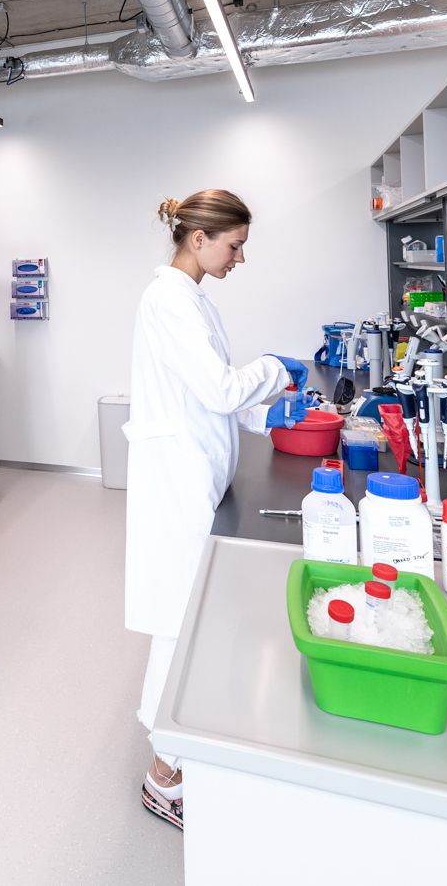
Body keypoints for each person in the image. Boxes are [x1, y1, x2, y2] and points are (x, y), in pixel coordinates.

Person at [124, 190, 312, 830]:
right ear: (199, 238)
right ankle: (165, 773)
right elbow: (218, 387)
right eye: (235, 246)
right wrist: (274, 370)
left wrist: (267, 415)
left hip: (197, 470)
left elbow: (210, 397)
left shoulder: (193, 298)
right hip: (177, 478)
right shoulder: (169, 300)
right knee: (177, 619)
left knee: (189, 615)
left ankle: (181, 751)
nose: (240, 258)